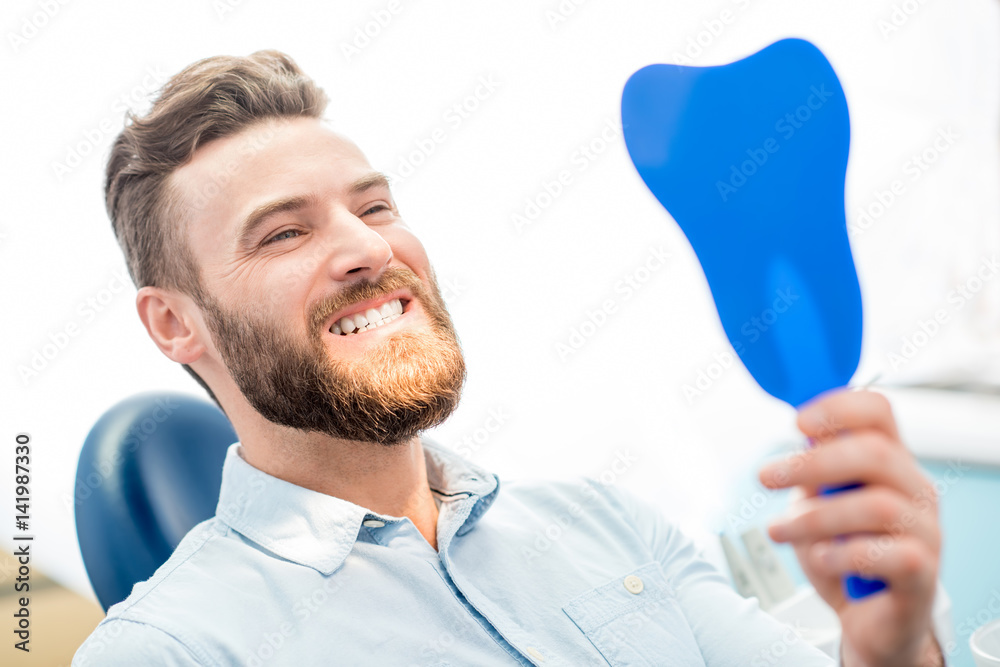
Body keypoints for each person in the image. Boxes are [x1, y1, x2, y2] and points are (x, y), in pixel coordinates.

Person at [73, 50, 945, 666]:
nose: (369, 250)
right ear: (174, 324)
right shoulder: (171, 650)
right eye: (286, 231)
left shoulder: (608, 525)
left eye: (374, 209)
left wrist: (895, 647)